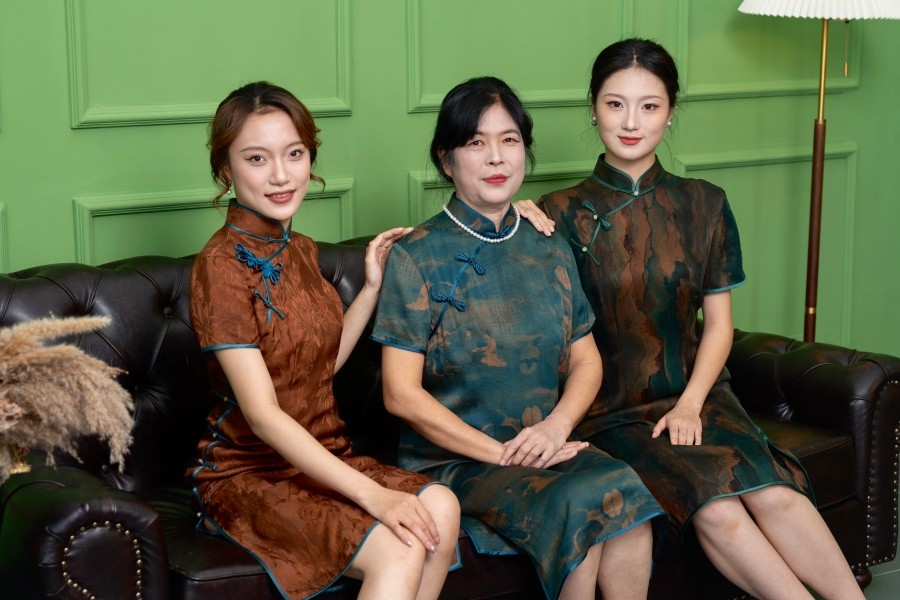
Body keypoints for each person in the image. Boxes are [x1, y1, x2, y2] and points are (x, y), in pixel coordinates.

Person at [526, 39, 865, 600]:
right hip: (610, 411)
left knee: (776, 493)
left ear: (671, 112)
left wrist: (690, 403)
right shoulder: (557, 213)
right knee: (718, 509)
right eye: (615, 104)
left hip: (700, 394)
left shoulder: (706, 202)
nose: (630, 122)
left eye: (649, 106)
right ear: (592, 108)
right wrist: (512, 218)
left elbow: (720, 325)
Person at [372, 76, 666, 600]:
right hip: (456, 462)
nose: (495, 157)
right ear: (446, 160)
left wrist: (556, 428)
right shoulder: (415, 256)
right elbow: (400, 394)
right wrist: (503, 454)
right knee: (582, 505)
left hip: (542, 445)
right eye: (475, 142)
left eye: (509, 140)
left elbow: (587, 361)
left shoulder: (549, 244)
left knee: (630, 506)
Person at [187, 81, 460, 600]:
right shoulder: (219, 266)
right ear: (225, 168)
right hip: (248, 473)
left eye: (294, 154)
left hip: (320, 454)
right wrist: (374, 496)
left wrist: (371, 289)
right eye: (256, 158)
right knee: (400, 546)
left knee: (441, 507)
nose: (281, 174)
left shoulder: (302, 250)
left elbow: (316, 371)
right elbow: (264, 415)